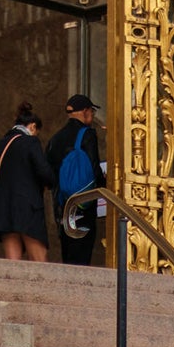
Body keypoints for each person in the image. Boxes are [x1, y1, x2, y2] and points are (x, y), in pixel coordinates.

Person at [0, 103, 55, 262]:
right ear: (32, 126)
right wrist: (50, 182)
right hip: (27, 208)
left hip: (3, 208)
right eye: (37, 132)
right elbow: (44, 172)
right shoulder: (30, 142)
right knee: (38, 260)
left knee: (13, 262)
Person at [47, 94, 102, 266]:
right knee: (83, 250)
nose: (92, 115)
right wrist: (104, 186)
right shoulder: (87, 135)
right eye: (92, 111)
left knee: (68, 251)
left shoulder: (55, 139)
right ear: (85, 111)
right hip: (84, 203)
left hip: (63, 205)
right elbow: (94, 168)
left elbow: (49, 174)